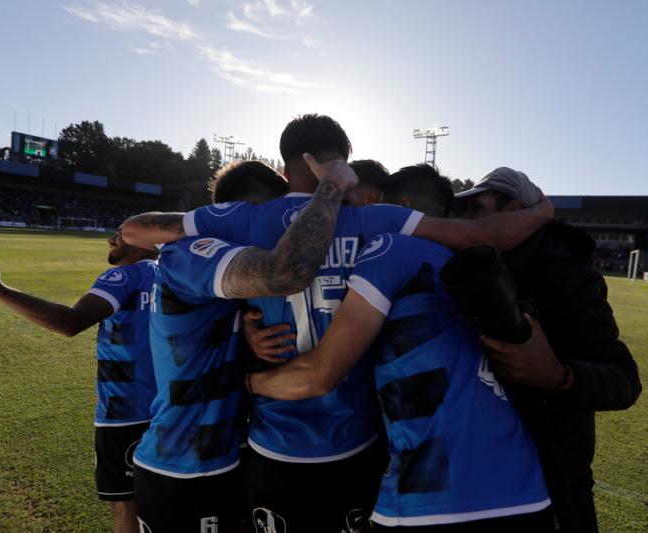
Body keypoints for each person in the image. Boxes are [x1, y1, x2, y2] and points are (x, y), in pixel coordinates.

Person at [122, 114, 555, 531]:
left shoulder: (241, 219)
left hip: (277, 441)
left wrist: (244, 319)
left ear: (286, 162)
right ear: (343, 160)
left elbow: (137, 230)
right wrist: (539, 214)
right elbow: (485, 238)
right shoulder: (377, 221)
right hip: (359, 440)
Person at [246, 165, 555, 531]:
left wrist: (246, 380)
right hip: (524, 487)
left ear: (402, 210)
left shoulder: (389, 247)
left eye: (362, 206)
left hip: (434, 497)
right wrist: (541, 212)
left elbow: (321, 373)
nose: (355, 216)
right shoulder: (471, 263)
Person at [131, 154, 357, 532]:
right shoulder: (188, 254)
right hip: (185, 465)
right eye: (268, 217)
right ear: (234, 212)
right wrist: (330, 189)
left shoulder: (227, 281)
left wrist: (244, 331)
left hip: (225, 457)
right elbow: (282, 273)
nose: (275, 230)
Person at [455, 167, 642, 533]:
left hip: (553, 479)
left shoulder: (567, 273)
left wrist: (559, 376)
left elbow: (625, 381)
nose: (467, 220)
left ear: (514, 209)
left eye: (477, 208)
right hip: (478, 478)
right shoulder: (472, 265)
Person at [0, 229, 158, 533]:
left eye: (121, 234)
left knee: (127, 507)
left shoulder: (122, 277)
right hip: (172, 411)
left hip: (124, 413)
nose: (112, 240)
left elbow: (71, 322)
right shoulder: (176, 278)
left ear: (146, 239)